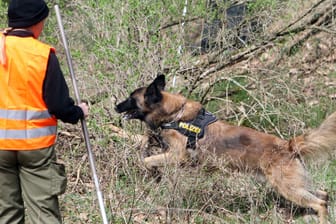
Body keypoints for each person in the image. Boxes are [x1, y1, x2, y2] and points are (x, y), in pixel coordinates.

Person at [0, 0, 89, 223]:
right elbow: (59, 105)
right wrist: (79, 111)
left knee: (6, 214)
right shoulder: (42, 55)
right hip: (35, 150)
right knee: (43, 216)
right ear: (37, 22)